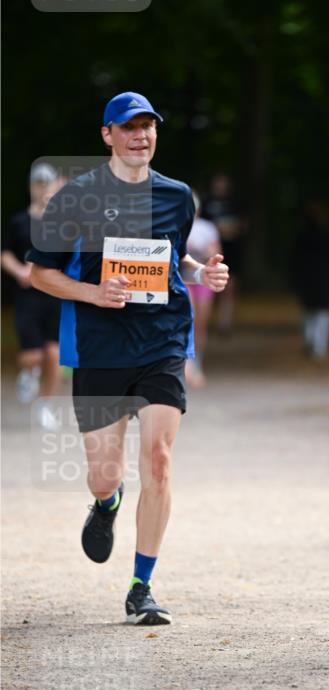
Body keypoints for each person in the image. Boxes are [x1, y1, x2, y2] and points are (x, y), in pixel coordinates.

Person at [28, 91, 228, 626]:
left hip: (162, 341)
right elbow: (39, 272)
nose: (140, 135)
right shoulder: (75, 198)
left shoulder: (177, 195)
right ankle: (106, 504)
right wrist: (94, 294)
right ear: (107, 135)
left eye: (148, 126)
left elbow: (172, 257)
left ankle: (142, 585)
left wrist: (201, 272)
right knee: (104, 474)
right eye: (129, 127)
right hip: (100, 346)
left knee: (159, 460)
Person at [1, 163, 63, 428]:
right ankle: (28, 373)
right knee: (33, 355)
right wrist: (19, 272)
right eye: (38, 183)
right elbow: (5, 254)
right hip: (28, 295)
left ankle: (46, 406)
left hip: (54, 293)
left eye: (46, 183)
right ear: (31, 186)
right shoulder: (18, 221)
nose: (42, 188)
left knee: (53, 354)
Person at [184, 192, 223, 388]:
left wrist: (203, 250)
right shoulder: (177, 224)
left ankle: (198, 361)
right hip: (184, 279)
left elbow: (216, 252)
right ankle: (188, 364)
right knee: (188, 320)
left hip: (203, 280)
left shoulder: (207, 228)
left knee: (201, 323)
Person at [292, 199, 329, 359]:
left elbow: (295, 260)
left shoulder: (302, 236)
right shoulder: (327, 235)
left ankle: (313, 342)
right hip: (322, 279)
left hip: (309, 279)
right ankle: (318, 346)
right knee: (321, 312)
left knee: (310, 311)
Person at [201, 172, 244, 334]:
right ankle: (205, 318)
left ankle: (224, 323)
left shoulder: (235, 203)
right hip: (210, 253)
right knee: (210, 285)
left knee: (230, 287)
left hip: (232, 251)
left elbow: (242, 225)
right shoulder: (207, 203)